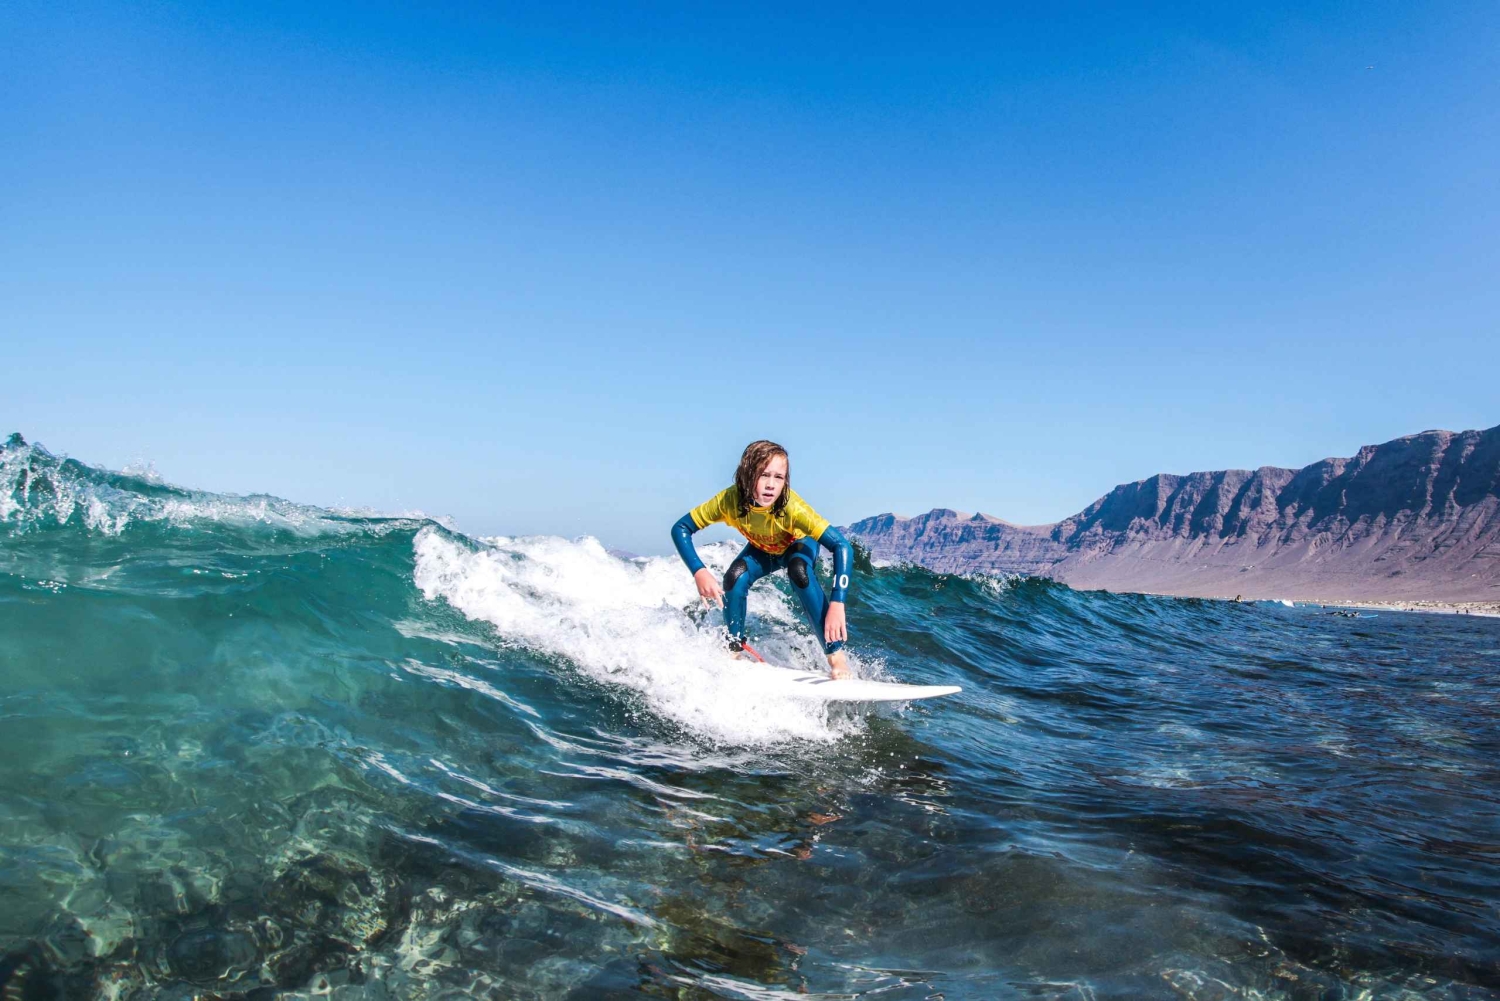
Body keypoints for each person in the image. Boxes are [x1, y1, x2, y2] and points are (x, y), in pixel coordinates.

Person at [670, 440, 854, 679]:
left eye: (779, 477)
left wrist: (838, 603)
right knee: (735, 577)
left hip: (796, 546)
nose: (771, 485)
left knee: (799, 571)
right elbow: (681, 528)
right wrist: (699, 571)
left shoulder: (792, 507)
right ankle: (734, 649)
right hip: (763, 550)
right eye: (764, 475)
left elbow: (842, 546)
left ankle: (836, 656)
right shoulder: (729, 501)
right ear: (747, 474)